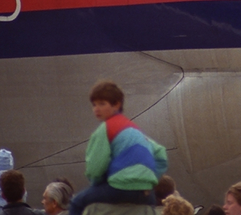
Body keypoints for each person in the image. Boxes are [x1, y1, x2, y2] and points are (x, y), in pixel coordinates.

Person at [69, 81, 168, 215]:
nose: (96, 109)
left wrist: (96, 184)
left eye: (102, 103)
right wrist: (149, 179)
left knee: (76, 203)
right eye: (94, 104)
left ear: (117, 104)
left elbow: (96, 166)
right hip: (145, 193)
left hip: (119, 188)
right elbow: (161, 155)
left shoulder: (106, 128)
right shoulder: (135, 130)